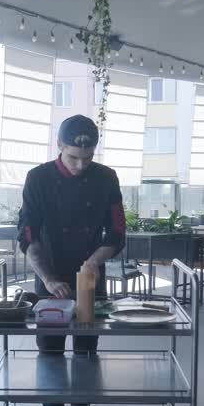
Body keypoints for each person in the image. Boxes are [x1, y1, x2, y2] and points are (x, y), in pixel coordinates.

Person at [17, 114, 126, 361]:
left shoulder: (107, 177)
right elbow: (28, 235)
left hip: (90, 274)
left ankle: (83, 400)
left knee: (86, 349)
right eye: (73, 158)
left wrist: (93, 261)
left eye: (87, 159)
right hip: (50, 272)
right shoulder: (38, 178)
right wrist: (48, 279)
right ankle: (51, 400)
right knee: (50, 350)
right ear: (59, 145)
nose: (80, 165)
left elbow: (117, 230)